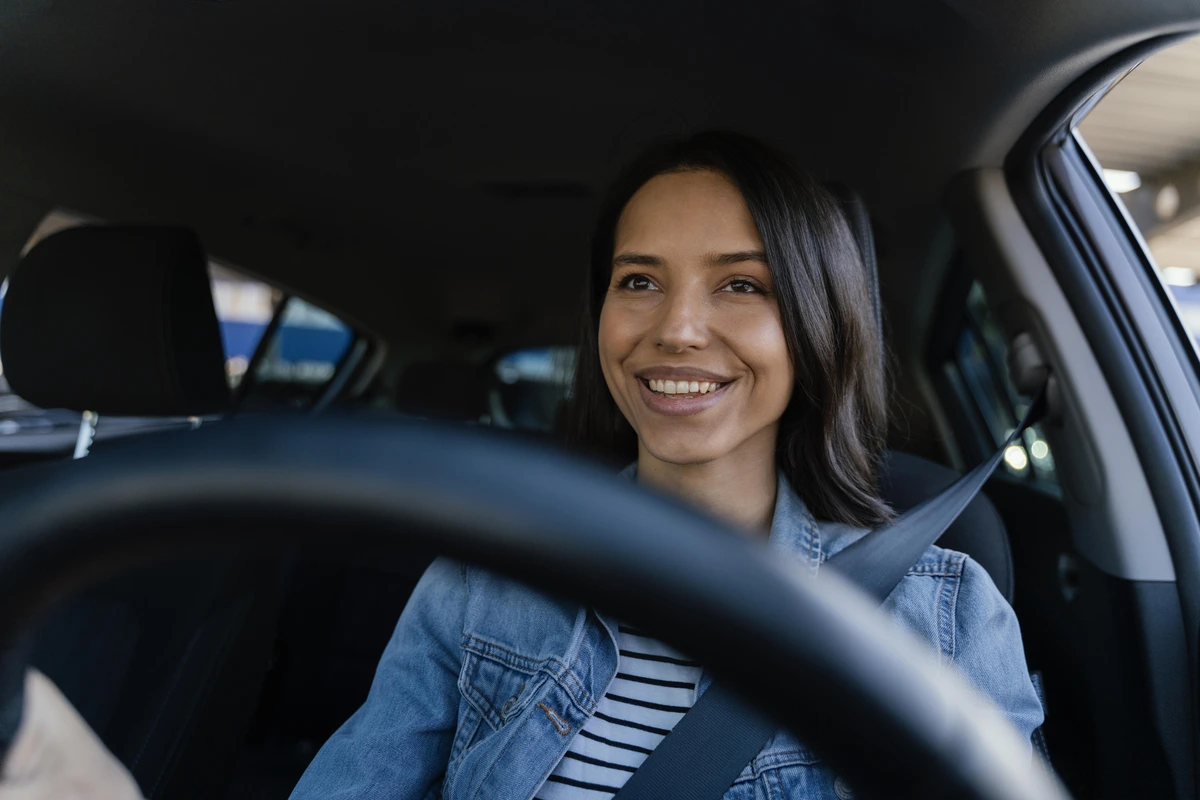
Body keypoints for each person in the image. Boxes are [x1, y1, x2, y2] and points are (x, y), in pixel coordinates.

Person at [0, 131, 1044, 799]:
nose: (676, 328)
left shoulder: (941, 612)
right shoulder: (482, 580)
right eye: (640, 280)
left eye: (742, 286)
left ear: (819, 324)